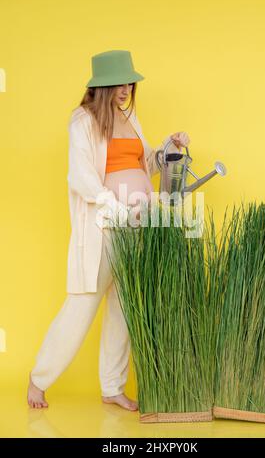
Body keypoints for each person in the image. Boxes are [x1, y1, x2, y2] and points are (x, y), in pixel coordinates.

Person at [27, 50, 190, 410]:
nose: (126, 89)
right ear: (102, 86)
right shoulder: (82, 120)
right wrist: (116, 208)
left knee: (123, 307)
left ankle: (111, 387)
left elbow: (145, 163)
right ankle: (39, 380)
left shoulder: (129, 117)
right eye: (120, 83)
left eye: (130, 82)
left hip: (139, 226)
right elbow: (81, 177)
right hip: (106, 226)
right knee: (82, 305)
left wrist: (169, 147)